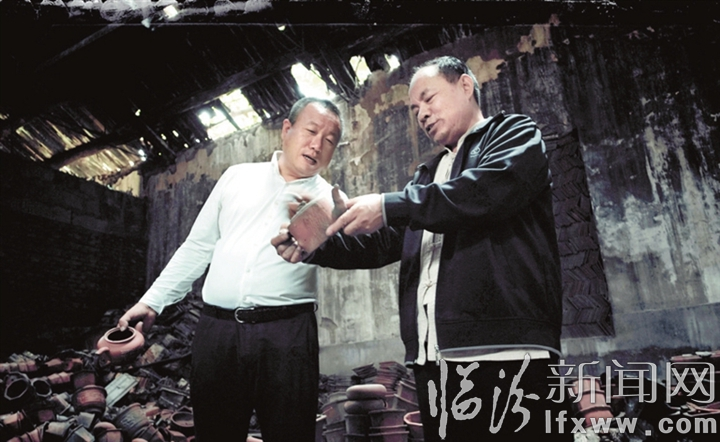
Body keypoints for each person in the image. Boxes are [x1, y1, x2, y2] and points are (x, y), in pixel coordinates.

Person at [273, 56, 572, 440]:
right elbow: (383, 244)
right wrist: (317, 245)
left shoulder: (513, 134)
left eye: (429, 99)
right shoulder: (427, 176)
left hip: (506, 351)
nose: (423, 115)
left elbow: (485, 192)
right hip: (434, 360)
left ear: (465, 85)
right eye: (415, 110)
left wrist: (389, 205)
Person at [118, 97, 344, 442]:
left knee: (290, 434)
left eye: (329, 140)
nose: (317, 145)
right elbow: (198, 246)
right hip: (218, 334)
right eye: (311, 131)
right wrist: (152, 301)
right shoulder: (237, 177)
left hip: (288, 338)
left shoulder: (330, 202)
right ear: (286, 129)